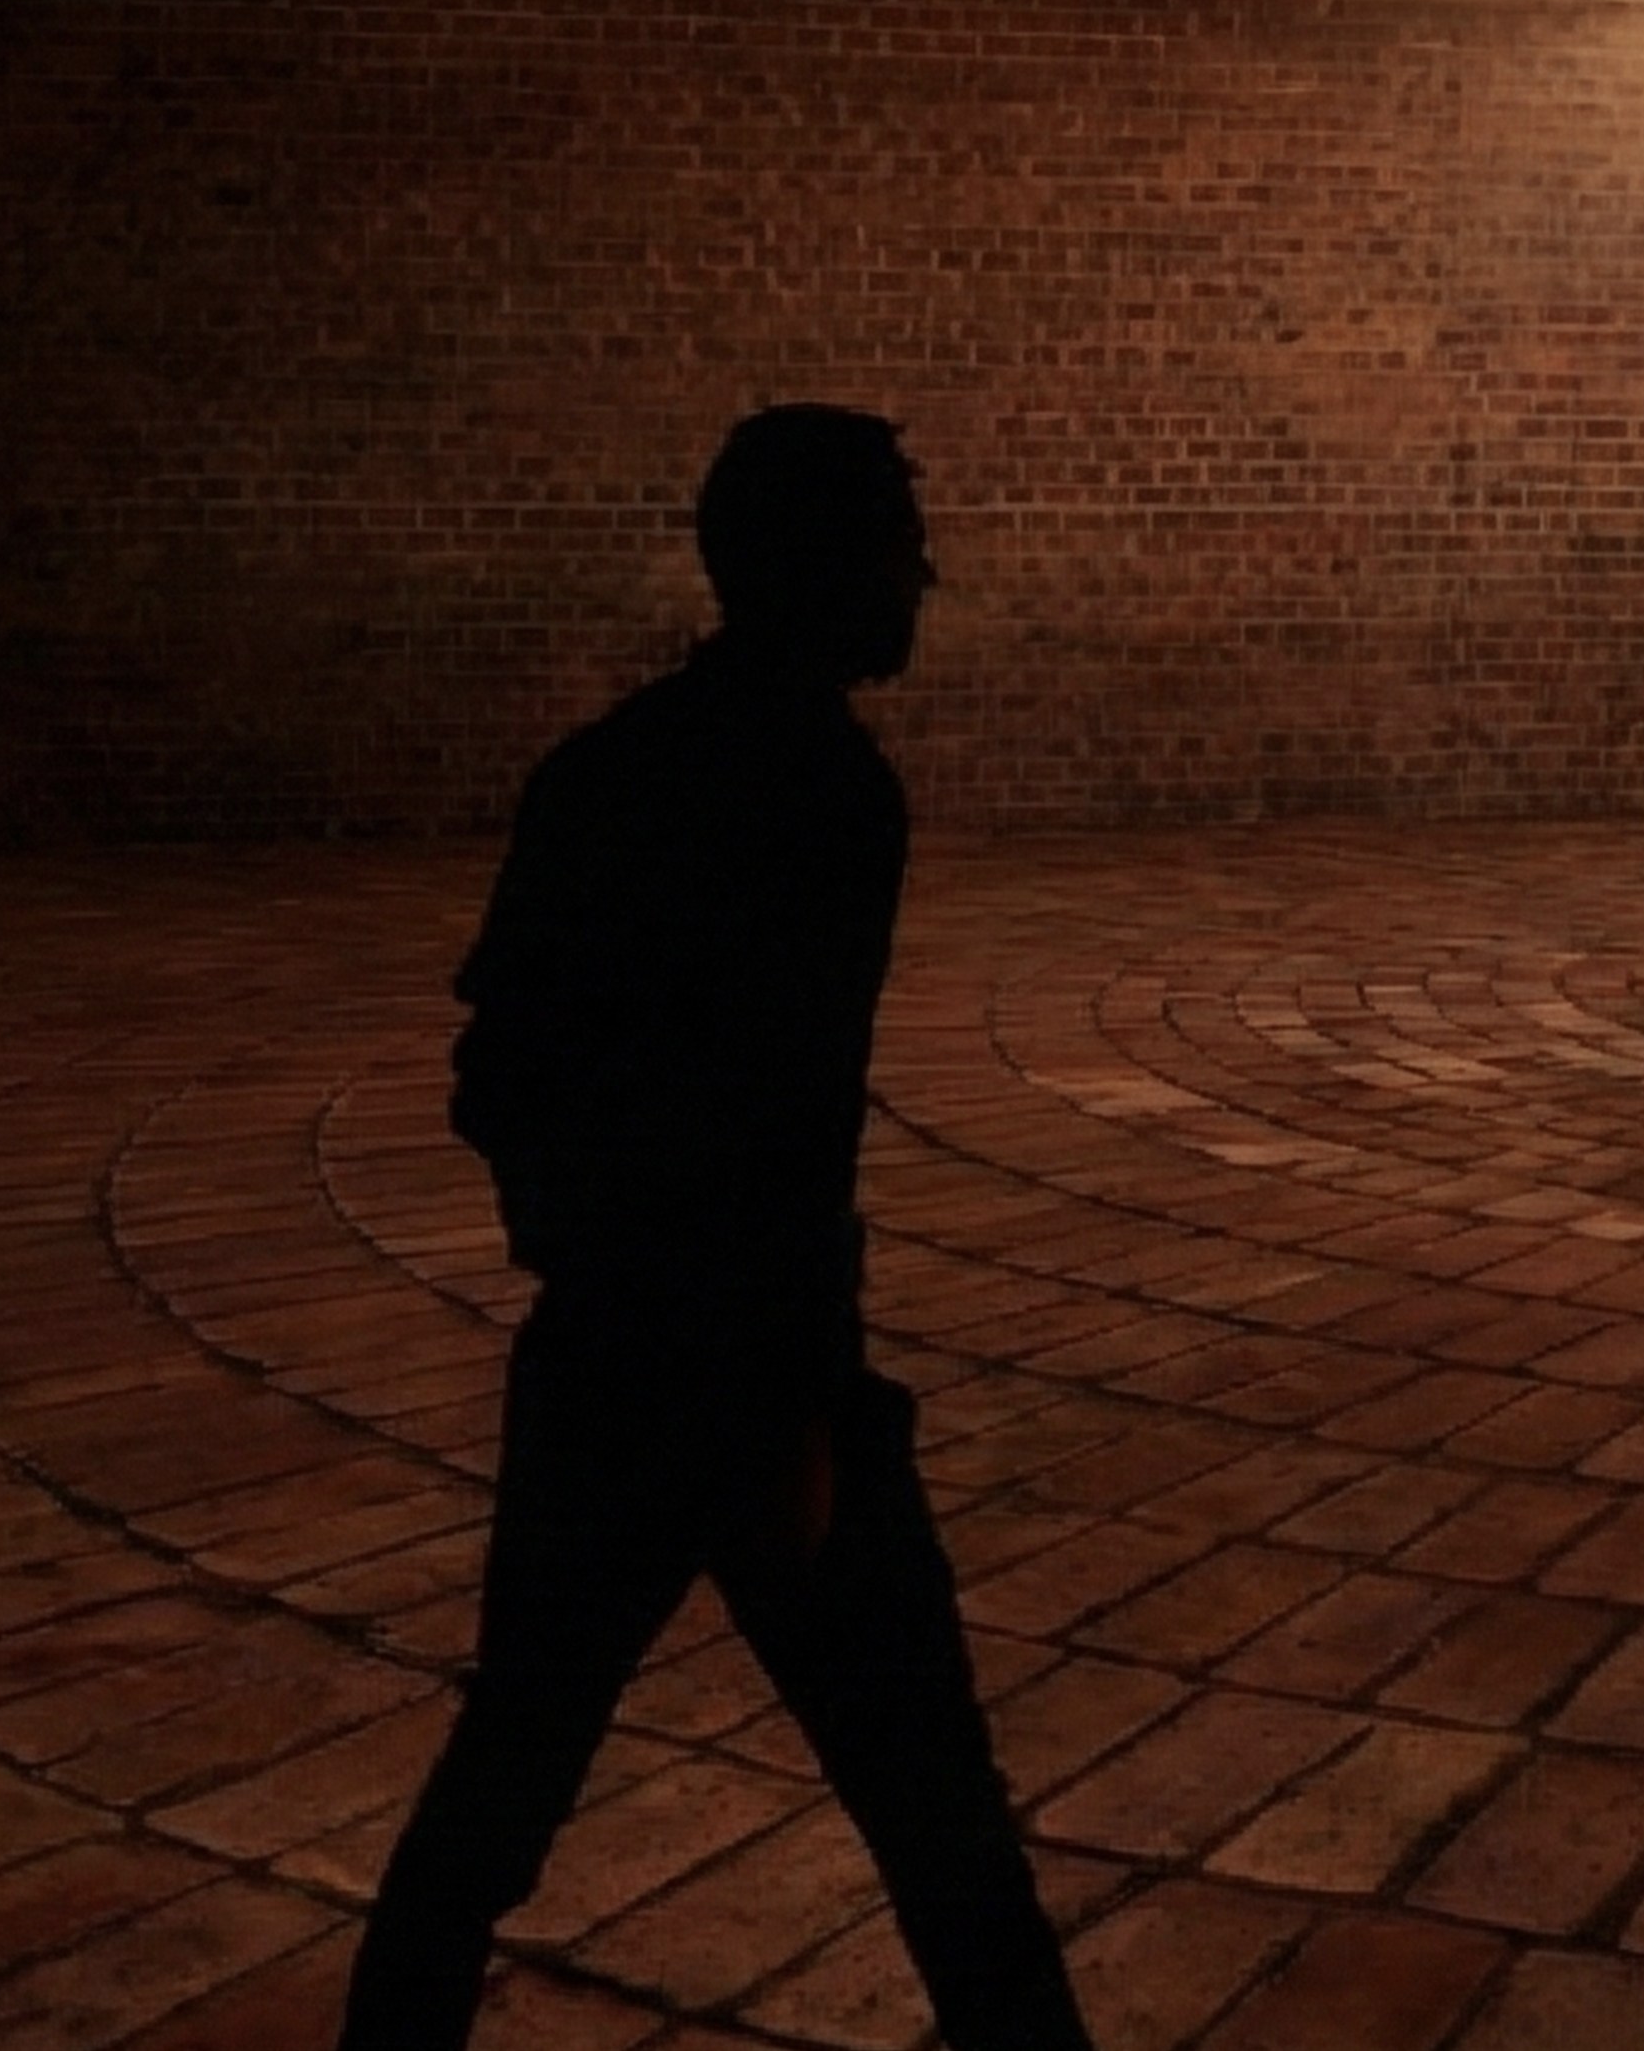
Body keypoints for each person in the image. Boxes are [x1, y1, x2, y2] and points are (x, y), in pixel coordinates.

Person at [340, 406, 1091, 2051]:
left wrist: (585, 1255)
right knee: (941, 1822)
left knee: (498, 1789)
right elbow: (776, 1130)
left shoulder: (602, 770)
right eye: (897, 542)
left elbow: (500, 1074)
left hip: (598, 1366)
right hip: (753, 1384)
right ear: (826, 565)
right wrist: (794, 1407)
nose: (923, 575)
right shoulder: (830, 798)